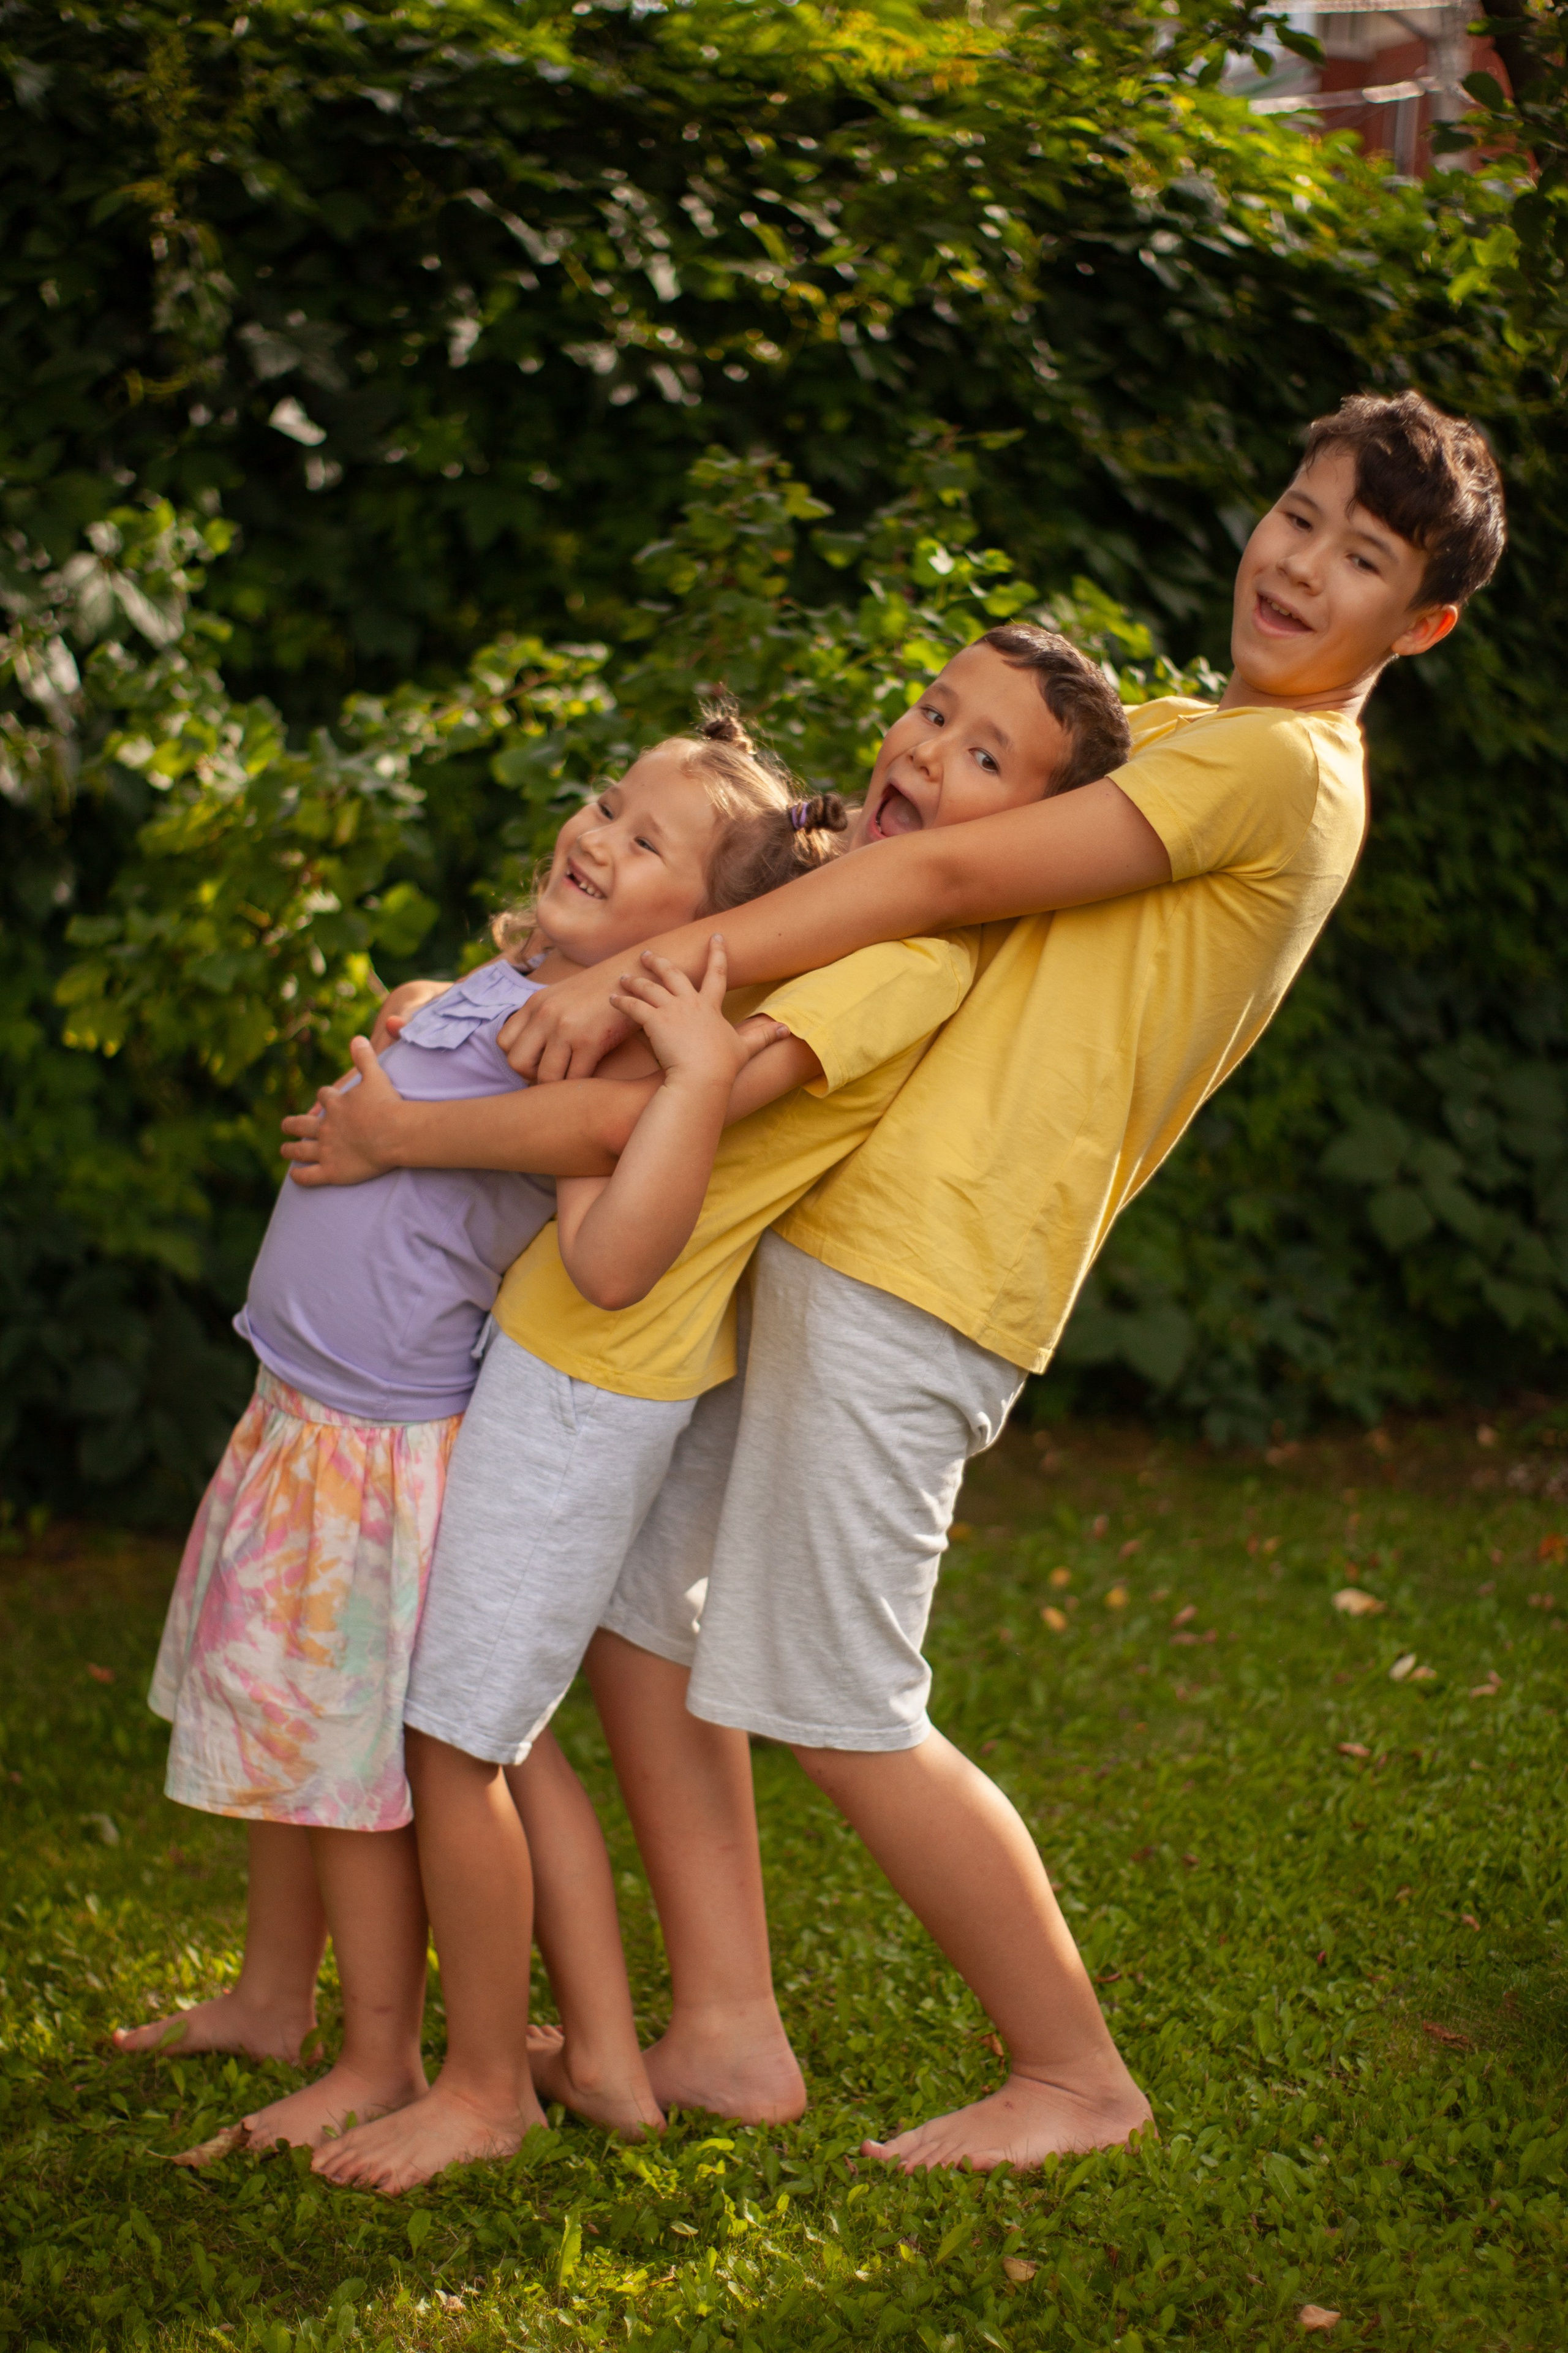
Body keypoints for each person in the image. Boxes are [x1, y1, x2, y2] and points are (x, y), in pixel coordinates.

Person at [431, 390, 1504, 2174]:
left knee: (842, 1696)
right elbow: (915, 843)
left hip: (926, 1272)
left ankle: (1074, 2073)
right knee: (640, 1618)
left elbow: (930, 868)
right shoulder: (1183, 731)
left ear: (1424, 623)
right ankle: (725, 2034)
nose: (1304, 562)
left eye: (1365, 557)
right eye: (1300, 515)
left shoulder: (1278, 769)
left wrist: (652, 978)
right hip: (835, 1222)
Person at [285, 629, 1134, 2195]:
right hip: (562, 1358)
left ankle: (481, 2086)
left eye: (985, 758)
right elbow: (604, 1050)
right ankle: (621, 2053)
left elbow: (642, 1123)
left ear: (1021, 830)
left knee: (455, 1735)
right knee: (484, 1717)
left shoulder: (902, 961)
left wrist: (403, 1128)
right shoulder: (831, 926)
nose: (928, 751)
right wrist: (467, 1020)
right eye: (935, 712)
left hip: (591, 1370)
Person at [114, 715, 845, 2154]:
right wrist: (433, 1000)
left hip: (383, 1439)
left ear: (703, 932)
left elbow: (600, 1205)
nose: (596, 833)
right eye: (603, 804)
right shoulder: (513, 987)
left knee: (383, 1756)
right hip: (301, 1406)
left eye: (647, 843)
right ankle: (275, 1995)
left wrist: (429, 1111)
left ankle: (391, 2054)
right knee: (293, 1725)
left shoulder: (608, 1054)